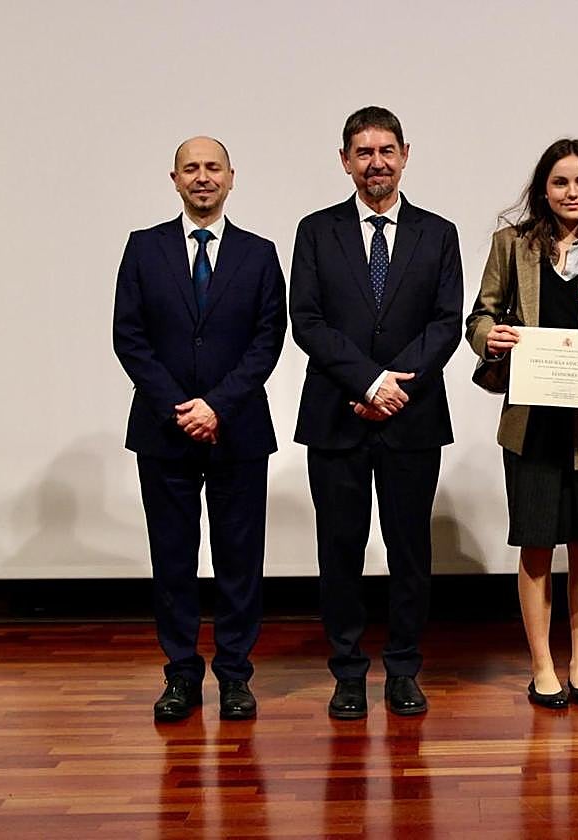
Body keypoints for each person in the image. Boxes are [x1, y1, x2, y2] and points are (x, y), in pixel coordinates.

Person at [290, 106, 463, 720]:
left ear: (405, 154)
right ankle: (347, 672)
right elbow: (306, 320)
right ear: (344, 161)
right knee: (339, 549)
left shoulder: (439, 233)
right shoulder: (315, 231)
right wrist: (366, 382)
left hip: (412, 418)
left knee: (409, 549)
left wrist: (396, 388)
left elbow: (446, 323)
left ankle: (404, 669)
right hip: (337, 414)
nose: (376, 162)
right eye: (363, 152)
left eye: (386, 150)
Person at [466, 139, 578, 709]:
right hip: (532, 422)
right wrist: (487, 338)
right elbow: (480, 315)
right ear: (543, 190)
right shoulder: (511, 246)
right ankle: (542, 666)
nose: (572, 193)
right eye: (560, 182)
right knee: (537, 545)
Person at [113, 136, 287, 722]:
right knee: (173, 560)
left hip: (238, 431)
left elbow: (268, 342)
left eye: (214, 167)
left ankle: (236, 676)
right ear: (175, 179)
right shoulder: (143, 249)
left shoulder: (260, 254)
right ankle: (181, 675)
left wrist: (217, 406)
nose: (203, 177)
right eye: (192, 168)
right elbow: (129, 338)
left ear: (232, 177)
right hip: (164, 434)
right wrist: (180, 407)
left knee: (240, 559)